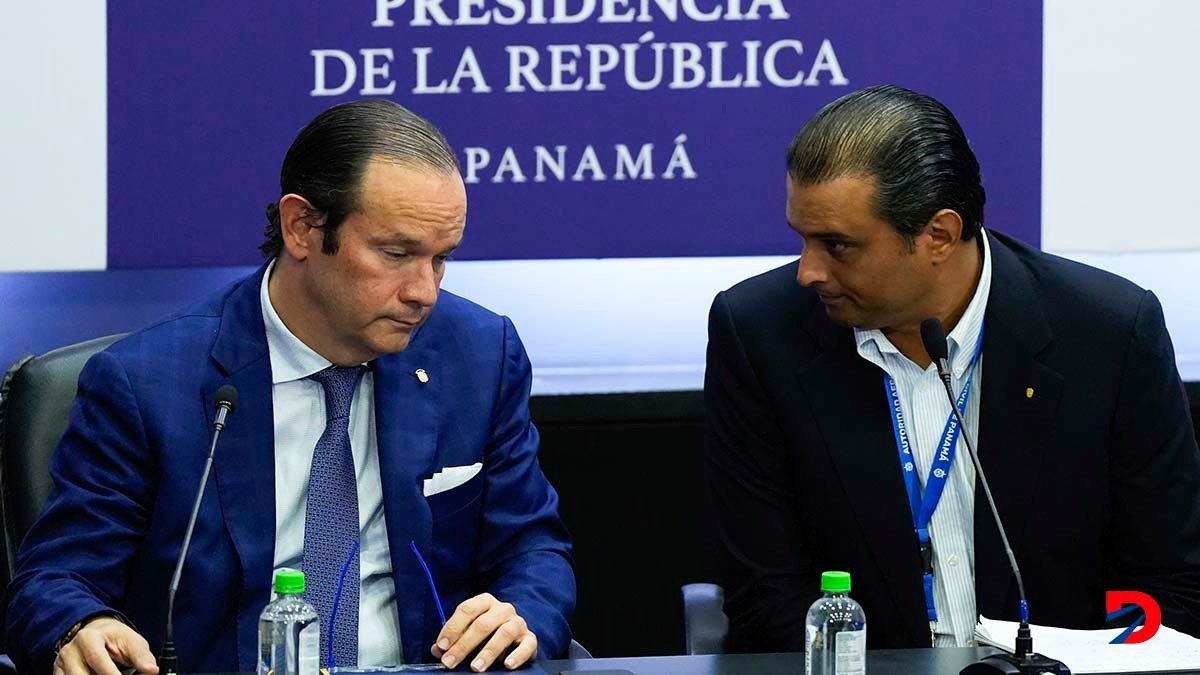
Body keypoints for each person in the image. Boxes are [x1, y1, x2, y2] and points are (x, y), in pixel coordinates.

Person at [5, 100, 575, 674]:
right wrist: (82, 624)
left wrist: (519, 611)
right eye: (397, 254)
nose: (424, 291)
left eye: (441, 259)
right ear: (301, 227)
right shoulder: (149, 383)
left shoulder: (477, 354)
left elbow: (534, 549)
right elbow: (55, 579)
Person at [704, 84, 1200, 653]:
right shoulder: (760, 335)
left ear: (938, 234)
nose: (808, 272)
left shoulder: (1108, 333)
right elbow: (762, 593)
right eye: (803, 240)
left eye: (836, 245)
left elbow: (1170, 583)